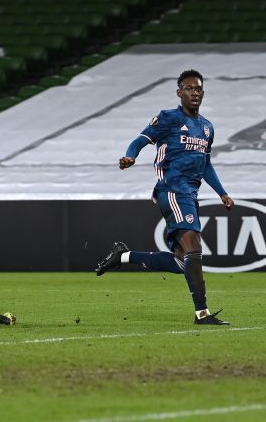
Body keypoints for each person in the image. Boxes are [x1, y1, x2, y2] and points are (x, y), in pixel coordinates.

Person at [95, 69, 235, 325]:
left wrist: (222, 192)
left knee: (184, 261)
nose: (195, 92)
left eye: (199, 89)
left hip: (190, 194)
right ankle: (201, 313)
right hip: (172, 189)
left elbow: (205, 165)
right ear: (179, 92)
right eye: (189, 88)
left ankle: (123, 256)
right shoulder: (168, 118)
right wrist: (130, 156)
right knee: (194, 247)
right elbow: (141, 139)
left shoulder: (206, 127)